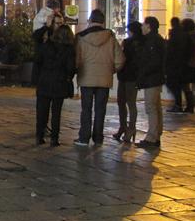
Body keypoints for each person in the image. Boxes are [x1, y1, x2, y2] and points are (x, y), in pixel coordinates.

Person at [74, 8, 124, 146]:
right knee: (101, 109)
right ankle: (98, 138)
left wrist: (78, 69)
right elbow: (120, 60)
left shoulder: (81, 37)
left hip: (86, 78)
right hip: (104, 78)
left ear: (90, 20)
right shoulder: (110, 37)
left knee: (86, 109)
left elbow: (76, 59)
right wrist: (110, 70)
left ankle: (84, 137)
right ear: (103, 21)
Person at [35, 23, 76, 146]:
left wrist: (46, 27)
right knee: (56, 112)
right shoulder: (69, 49)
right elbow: (70, 68)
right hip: (60, 82)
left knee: (42, 111)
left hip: (45, 81)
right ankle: (54, 138)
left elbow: (38, 60)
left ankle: (39, 135)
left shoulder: (46, 46)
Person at [135, 16, 166, 149]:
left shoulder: (152, 41)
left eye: (143, 25)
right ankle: (156, 134)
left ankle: (152, 137)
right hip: (155, 78)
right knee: (156, 107)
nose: (141, 27)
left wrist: (143, 74)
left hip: (151, 78)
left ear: (149, 26)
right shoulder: (157, 39)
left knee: (151, 107)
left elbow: (152, 62)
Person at [113, 21, 143, 144]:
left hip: (125, 75)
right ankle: (131, 128)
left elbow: (122, 58)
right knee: (131, 103)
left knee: (122, 102)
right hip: (134, 76)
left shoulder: (128, 42)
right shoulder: (143, 42)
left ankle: (124, 127)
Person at [165, 17, 192, 113]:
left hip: (175, 65)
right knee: (184, 86)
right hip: (185, 65)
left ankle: (178, 105)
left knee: (174, 85)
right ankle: (189, 106)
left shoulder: (174, 34)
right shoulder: (185, 34)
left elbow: (171, 51)